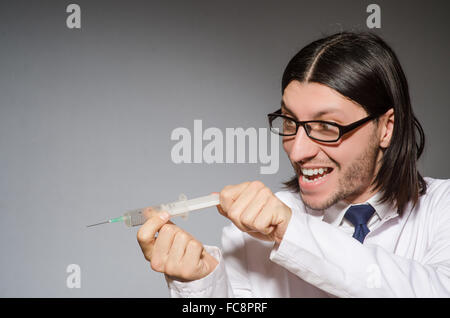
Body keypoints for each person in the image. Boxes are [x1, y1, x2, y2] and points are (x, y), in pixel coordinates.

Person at [137, 31, 450, 297]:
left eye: (327, 126)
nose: (298, 151)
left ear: (386, 127)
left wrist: (292, 232)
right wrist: (201, 283)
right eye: (289, 123)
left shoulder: (442, 209)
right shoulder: (249, 235)